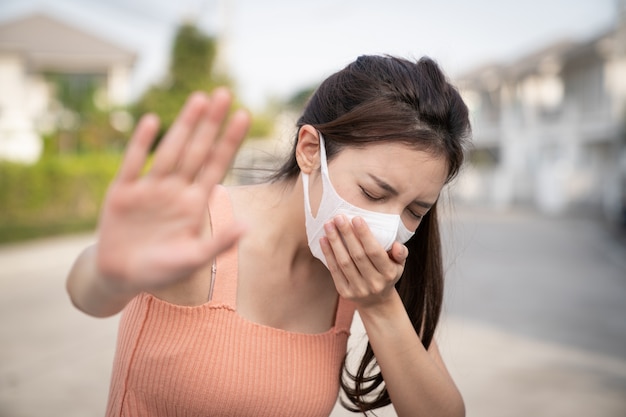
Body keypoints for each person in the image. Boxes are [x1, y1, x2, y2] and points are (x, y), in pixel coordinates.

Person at [66, 55, 471, 417]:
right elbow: (88, 294)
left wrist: (380, 307)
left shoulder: (374, 275)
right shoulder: (201, 229)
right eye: (373, 193)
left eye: (415, 211)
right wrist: (109, 269)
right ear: (310, 150)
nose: (387, 225)